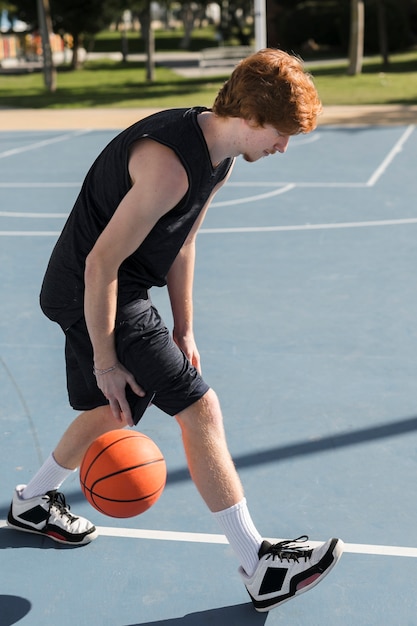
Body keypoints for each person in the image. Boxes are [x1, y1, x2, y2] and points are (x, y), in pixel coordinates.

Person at [7, 48, 343, 612]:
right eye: (281, 134)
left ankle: (32, 501)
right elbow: (99, 266)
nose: (284, 147)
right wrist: (107, 362)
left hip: (121, 285)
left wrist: (185, 330)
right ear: (253, 117)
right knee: (199, 409)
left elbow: (184, 241)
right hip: (91, 286)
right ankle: (258, 564)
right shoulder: (167, 165)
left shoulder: (220, 153)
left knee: (123, 407)